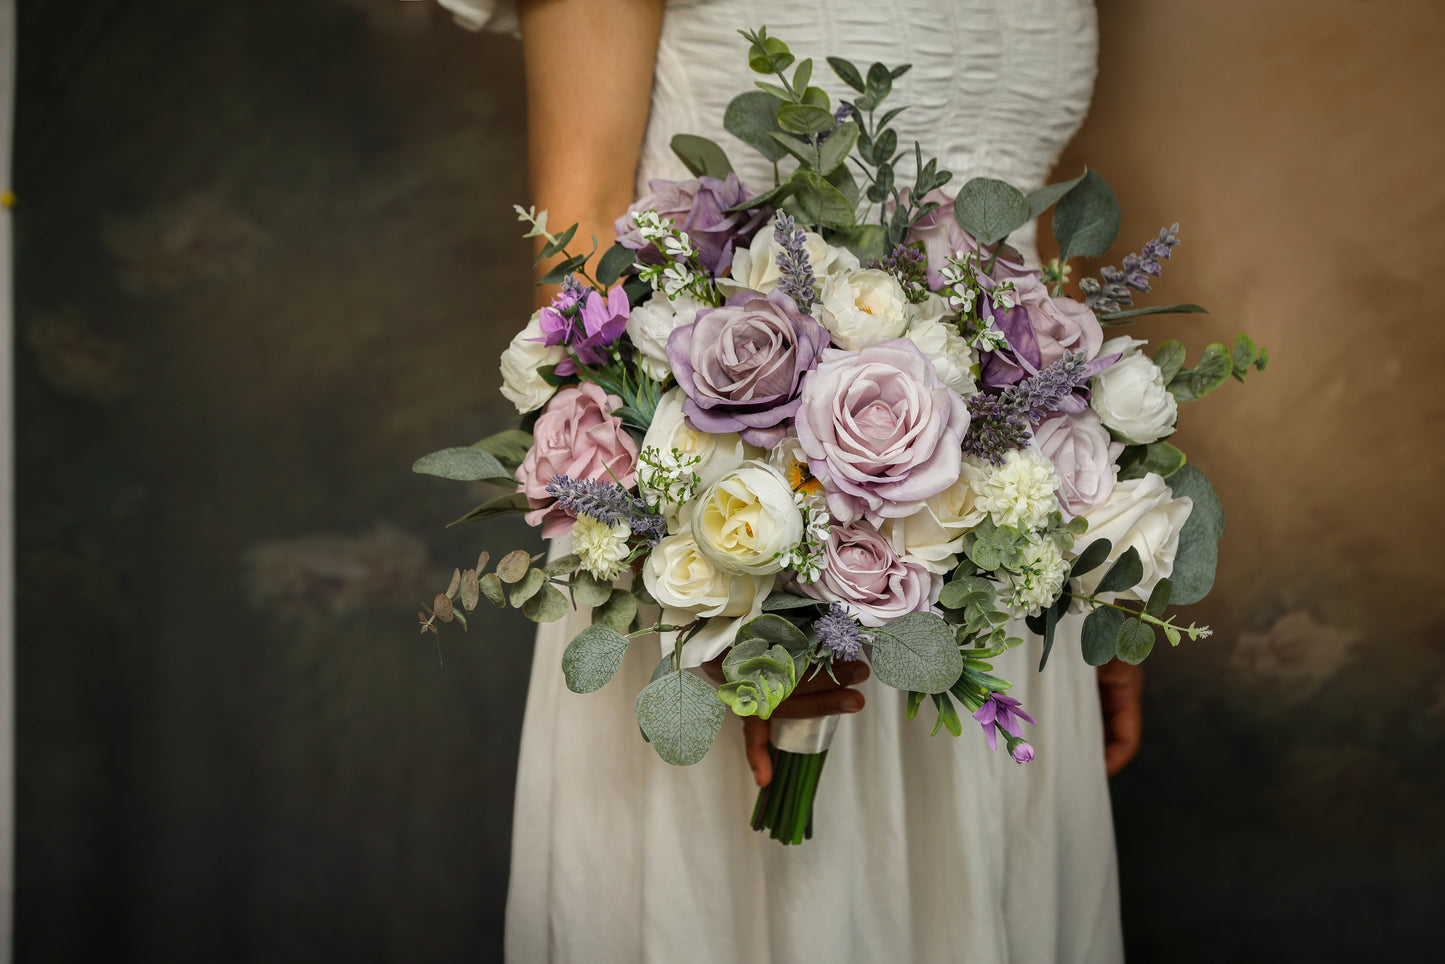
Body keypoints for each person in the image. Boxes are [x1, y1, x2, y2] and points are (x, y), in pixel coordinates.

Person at [436, 1, 1140, 960]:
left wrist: (1104, 568)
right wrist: (733, 597)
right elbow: (583, 240)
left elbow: (1020, 268)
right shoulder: (725, 576)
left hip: (987, 566)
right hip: (721, 546)